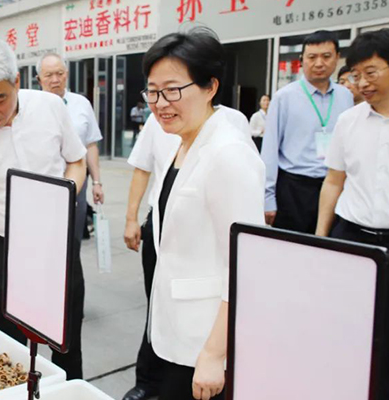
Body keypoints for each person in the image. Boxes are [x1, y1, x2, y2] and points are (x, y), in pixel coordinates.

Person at [125, 28, 265, 400]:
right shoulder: (184, 141)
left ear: (210, 87)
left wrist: (215, 354)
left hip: (204, 339)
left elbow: (245, 264)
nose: (160, 103)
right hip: (177, 328)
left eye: (173, 90)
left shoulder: (228, 153)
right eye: (153, 91)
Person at [0, 40, 86, 352]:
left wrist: (63, 198)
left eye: (0, 98)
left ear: (16, 81)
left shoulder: (50, 107)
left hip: (55, 241)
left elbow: (77, 161)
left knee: (67, 335)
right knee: (10, 344)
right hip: (3, 247)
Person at [36, 52, 103, 379]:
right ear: (39, 79)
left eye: (60, 73)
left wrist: (97, 181)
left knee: (71, 251)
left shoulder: (80, 104)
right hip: (40, 189)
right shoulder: (32, 105)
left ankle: (70, 308)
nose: (55, 79)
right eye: (49, 75)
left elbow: (90, 145)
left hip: (74, 187)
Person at [261, 30, 354, 233]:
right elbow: (270, 149)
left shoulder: (346, 96)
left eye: (326, 56)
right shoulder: (284, 97)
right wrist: (268, 198)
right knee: (292, 246)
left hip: (335, 184)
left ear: (337, 57)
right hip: (294, 188)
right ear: (302, 59)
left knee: (329, 245)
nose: (319, 63)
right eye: (312, 57)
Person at [316, 28, 389, 250]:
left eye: (371, 73)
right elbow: (334, 180)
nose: (362, 83)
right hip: (351, 235)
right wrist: (320, 236)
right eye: (356, 76)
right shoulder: (347, 121)